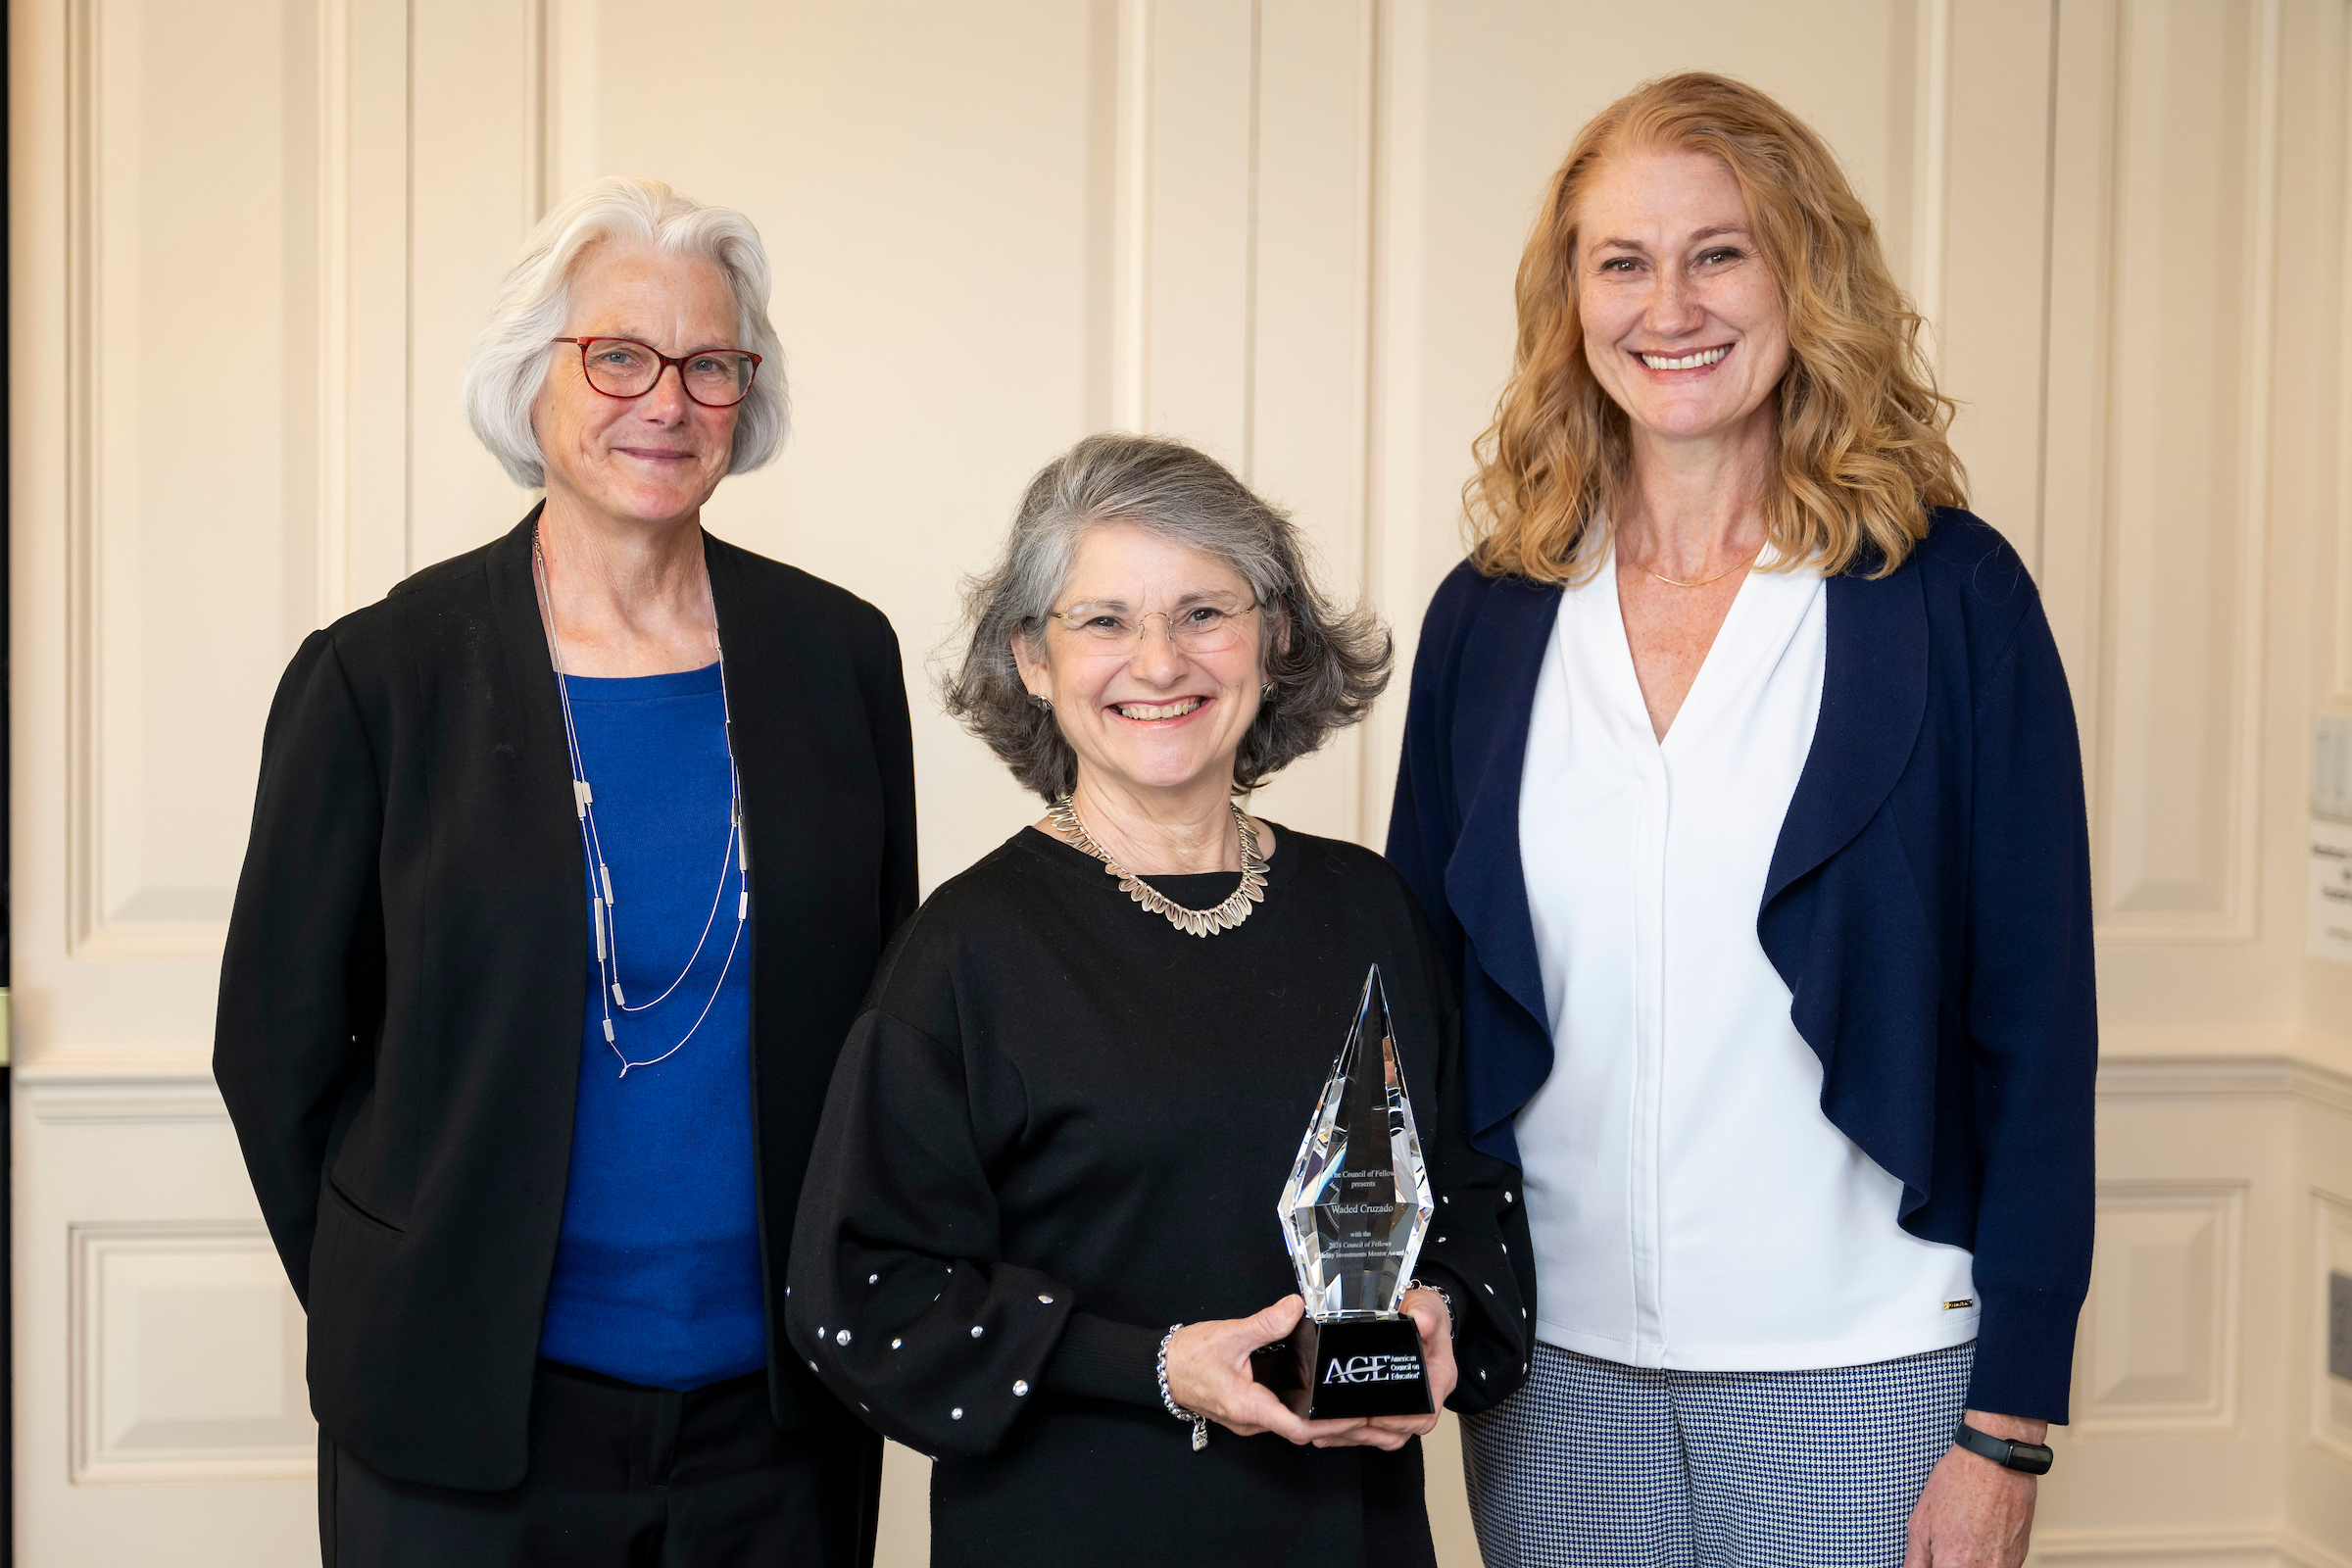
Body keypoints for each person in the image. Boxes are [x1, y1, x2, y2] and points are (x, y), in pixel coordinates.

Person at [1387, 74, 2094, 1568]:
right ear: (1569, 301)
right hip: (1553, 1359)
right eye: (1621, 261)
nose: (1671, 305)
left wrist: (2010, 1421)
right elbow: (1424, 998)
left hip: (1871, 1359)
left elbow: (2037, 1019)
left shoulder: (1950, 599)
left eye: (1721, 251)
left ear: (1803, 274)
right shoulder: (1494, 615)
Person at [215, 176, 916, 1567]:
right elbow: (276, 1050)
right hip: (464, 1418)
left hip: (777, 1414)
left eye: (709, 364)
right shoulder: (382, 676)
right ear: (531, 380)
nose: (665, 400)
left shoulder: (839, 658)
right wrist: (399, 1284)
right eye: (618, 355)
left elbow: (880, 1028)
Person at [785, 432, 1533, 1568]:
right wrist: (1154, 1364)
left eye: (1202, 612)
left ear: (1274, 637)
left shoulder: (1371, 909)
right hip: (1075, 1535)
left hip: (1351, 1540)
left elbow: (1476, 1197)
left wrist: (1439, 1315)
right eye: (1104, 621)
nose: (1159, 661)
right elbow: (863, 1295)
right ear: (1032, 658)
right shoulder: (966, 951)